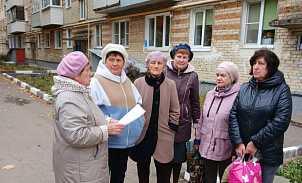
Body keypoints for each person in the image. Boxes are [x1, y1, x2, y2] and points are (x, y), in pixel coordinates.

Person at [52, 51, 125, 183]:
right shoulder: (69, 99)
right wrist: (106, 130)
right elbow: (76, 135)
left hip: (85, 165)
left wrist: (107, 121)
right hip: (80, 170)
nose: (91, 73)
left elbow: (88, 116)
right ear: (75, 75)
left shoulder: (79, 93)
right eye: (86, 70)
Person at [229, 49, 292, 183]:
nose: (256, 67)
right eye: (254, 63)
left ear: (271, 66)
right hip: (243, 150)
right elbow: (234, 115)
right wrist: (238, 142)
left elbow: (281, 121)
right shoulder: (245, 88)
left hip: (267, 154)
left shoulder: (282, 90)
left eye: (261, 63)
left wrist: (256, 142)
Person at [90, 43, 144, 183]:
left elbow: (138, 101)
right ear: (104, 61)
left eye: (119, 60)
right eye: (111, 60)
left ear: (123, 62)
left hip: (125, 142)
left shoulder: (126, 81)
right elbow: (91, 111)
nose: (115, 64)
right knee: (103, 177)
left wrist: (140, 119)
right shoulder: (97, 81)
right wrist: (108, 121)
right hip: (108, 141)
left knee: (119, 176)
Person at [129, 51, 180, 183]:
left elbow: (175, 109)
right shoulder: (138, 83)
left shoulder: (170, 84)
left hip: (163, 134)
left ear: (164, 66)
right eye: (153, 63)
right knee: (142, 171)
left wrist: (171, 128)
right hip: (143, 133)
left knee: (164, 172)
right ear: (148, 65)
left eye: (159, 63)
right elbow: (133, 108)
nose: (156, 66)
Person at [195, 61, 240, 183]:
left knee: (226, 178)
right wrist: (198, 138)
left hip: (226, 146)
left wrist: (236, 147)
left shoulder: (238, 96)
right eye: (217, 75)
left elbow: (239, 124)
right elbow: (202, 119)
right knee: (208, 177)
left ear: (232, 79)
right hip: (206, 143)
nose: (219, 78)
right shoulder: (210, 94)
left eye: (223, 75)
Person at [163, 43, 200, 183]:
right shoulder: (165, 72)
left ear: (188, 59)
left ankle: (175, 180)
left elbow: (195, 102)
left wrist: (197, 125)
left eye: (185, 57)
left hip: (183, 122)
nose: (182, 59)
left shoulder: (193, 76)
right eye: (179, 56)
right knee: (165, 156)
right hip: (165, 120)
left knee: (178, 157)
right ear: (173, 56)